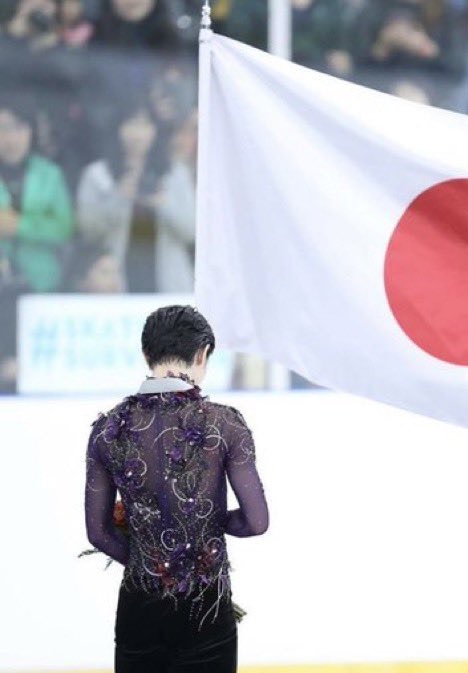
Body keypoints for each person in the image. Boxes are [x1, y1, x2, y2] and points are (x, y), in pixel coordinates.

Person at [84, 304, 268, 671]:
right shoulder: (225, 425)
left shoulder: (108, 429)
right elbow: (255, 521)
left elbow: (99, 532)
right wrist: (204, 532)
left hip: (140, 609)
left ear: (145, 354)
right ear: (202, 355)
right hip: (207, 607)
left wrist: (154, 561)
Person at [76, 99, 195, 292]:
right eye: (131, 124)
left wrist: (162, 203)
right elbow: (89, 230)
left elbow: (192, 231)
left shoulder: (175, 174)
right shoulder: (98, 174)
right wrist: (120, 198)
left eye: (144, 125)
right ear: (118, 129)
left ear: (155, 130)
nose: (137, 134)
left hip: (168, 284)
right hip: (115, 285)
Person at [0, 96, 74, 293]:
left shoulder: (50, 174)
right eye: (4, 128)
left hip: (42, 285)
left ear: (31, 131)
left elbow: (64, 228)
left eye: (19, 128)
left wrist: (19, 225)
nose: (11, 138)